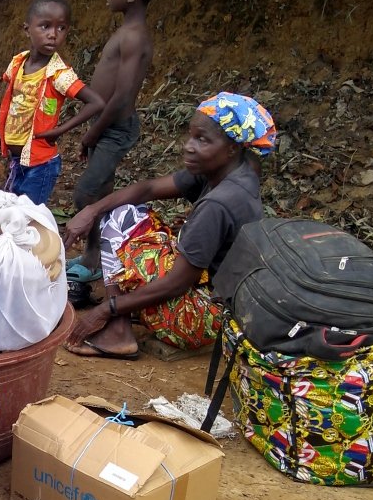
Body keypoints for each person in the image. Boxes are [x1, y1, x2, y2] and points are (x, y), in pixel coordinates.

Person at [62, 93, 276, 359]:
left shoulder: (219, 204)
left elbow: (176, 284)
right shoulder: (229, 174)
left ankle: (118, 331)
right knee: (122, 213)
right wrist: (92, 210)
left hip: (203, 319)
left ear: (233, 148)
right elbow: (148, 188)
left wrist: (107, 309)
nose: (188, 146)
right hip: (222, 301)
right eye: (191, 135)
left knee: (118, 220)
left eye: (202, 140)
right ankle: (122, 321)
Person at [43, 0, 164, 281]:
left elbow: (123, 97)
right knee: (101, 191)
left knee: (86, 194)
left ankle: (95, 258)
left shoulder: (135, 37)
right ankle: (99, 256)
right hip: (106, 126)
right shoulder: (127, 31)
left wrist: (93, 132)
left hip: (114, 128)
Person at [0, 0, 105, 206]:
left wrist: (59, 130)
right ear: (27, 29)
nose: (53, 35)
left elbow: (96, 102)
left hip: (41, 165)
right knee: (12, 214)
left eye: (61, 28)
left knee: (28, 218)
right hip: (18, 160)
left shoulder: (59, 75)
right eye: (45, 27)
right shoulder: (18, 63)